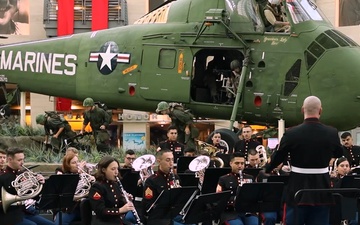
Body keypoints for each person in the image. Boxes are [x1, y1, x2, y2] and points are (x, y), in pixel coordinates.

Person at [264, 96, 343, 225]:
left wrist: (267, 169)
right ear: (320, 111)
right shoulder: (331, 132)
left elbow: (279, 156)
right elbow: (339, 153)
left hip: (297, 186)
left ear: (302, 110)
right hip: (321, 186)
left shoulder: (292, 133)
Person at [0, 147, 50, 225]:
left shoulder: (23, 175)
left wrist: (41, 183)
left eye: (23, 159)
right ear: (10, 159)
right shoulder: (2, 177)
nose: (22, 162)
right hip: (10, 216)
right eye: (19, 160)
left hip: (25, 212)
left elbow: (34, 197)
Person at [88, 156, 136, 225]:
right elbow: (100, 211)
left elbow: (117, 205)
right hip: (103, 222)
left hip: (117, 221)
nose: (116, 172)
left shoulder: (115, 184)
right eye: (113, 169)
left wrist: (126, 200)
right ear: (104, 170)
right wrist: (120, 210)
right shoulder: (97, 187)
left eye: (117, 169)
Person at [216, 152, 258, 225]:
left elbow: (255, 195)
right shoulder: (223, 179)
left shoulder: (250, 178)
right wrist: (234, 199)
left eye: (242, 163)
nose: (240, 166)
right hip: (230, 212)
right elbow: (219, 197)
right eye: (237, 163)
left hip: (247, 210)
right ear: (231, 163)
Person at [142, 149, 181, 225]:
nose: (171, 163)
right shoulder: (151, 181)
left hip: (172, 215)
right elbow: (148, 205)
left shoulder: (175, 177)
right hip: (158, 218)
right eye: (167, 160)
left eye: (172, 160)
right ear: (159, 161)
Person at [54, 152, 83, 225]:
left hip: (82, 208)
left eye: (77, 162)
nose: (77, 164)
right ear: (68, 165)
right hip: (68, 209)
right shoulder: (64, 177)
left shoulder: (83, 175)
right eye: (73, 163)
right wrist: (79, 174)